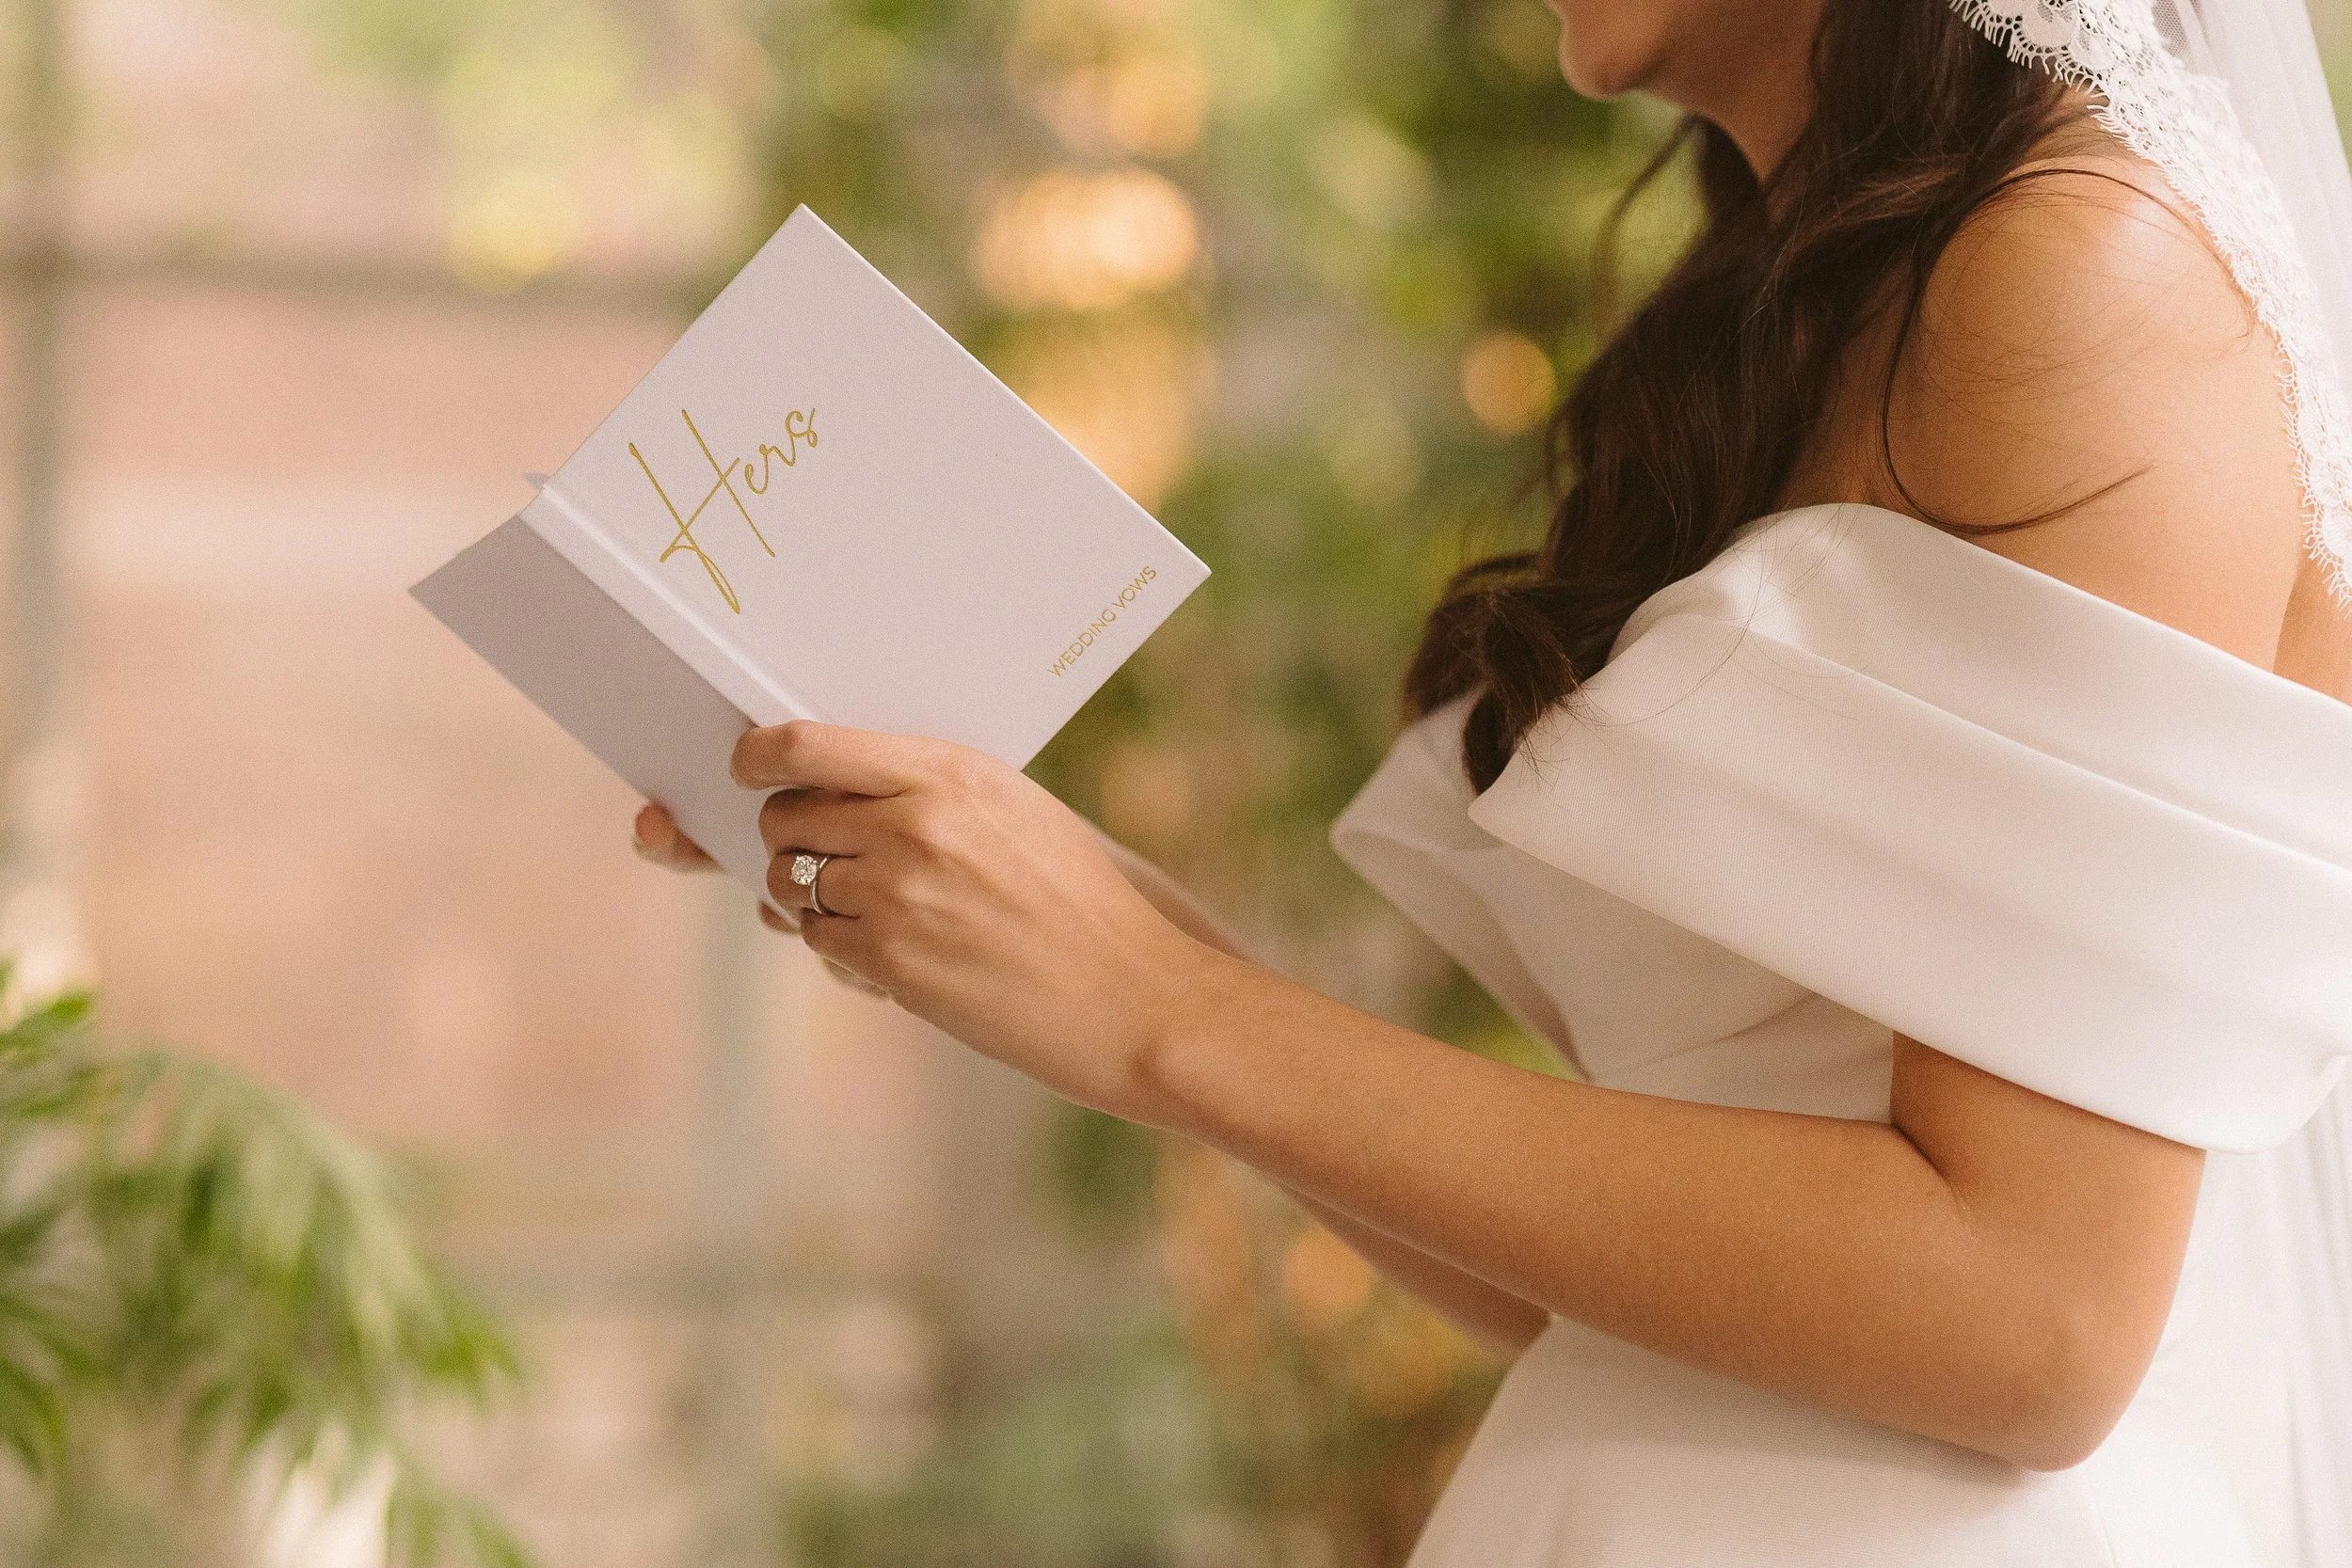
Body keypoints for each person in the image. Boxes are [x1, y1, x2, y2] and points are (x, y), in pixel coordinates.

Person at [635, 0, 2352, 1560]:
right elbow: (1619, 1288)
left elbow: (2033, 1318)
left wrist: (1157, 1004)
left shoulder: (2087, 273)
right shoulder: (1811, 299)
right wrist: (1037, 924)